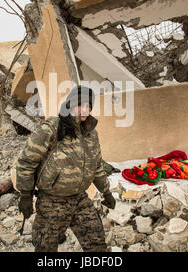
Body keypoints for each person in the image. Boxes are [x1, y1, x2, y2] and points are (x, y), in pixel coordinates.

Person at [16, 85, 116, 252]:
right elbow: (27, 161)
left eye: (88, 106)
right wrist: (25, 195)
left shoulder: (91, 134)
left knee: (97, 244)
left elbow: (96, 166)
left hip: (80, 200)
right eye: (81, 104)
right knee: (46, 248)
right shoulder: (52, 127)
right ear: (70, 103)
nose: (85, 110)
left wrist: (106, 192)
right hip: (52, 202)